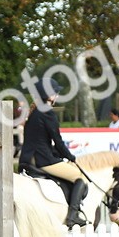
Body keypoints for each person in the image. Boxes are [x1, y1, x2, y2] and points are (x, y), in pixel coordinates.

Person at [19, 78, 88, 228]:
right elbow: (57, 140)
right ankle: (72, 216)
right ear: (48, 95)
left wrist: (60, 155)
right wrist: (70, 157)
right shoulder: (47, 112)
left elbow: (42, 140)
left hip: (28, 159)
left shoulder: (35, 112)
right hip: (42, 160)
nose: (57, 95)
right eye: (55, 92)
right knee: (79, 178)